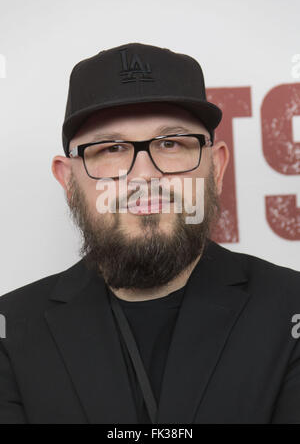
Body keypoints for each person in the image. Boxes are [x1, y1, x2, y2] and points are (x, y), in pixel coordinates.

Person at [0, 43, 300, 424]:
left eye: (170, 144)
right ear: (68, 180)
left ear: (218, 167)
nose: (144, 175)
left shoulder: (292, 309)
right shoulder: (8, 332)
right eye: (111, 148)